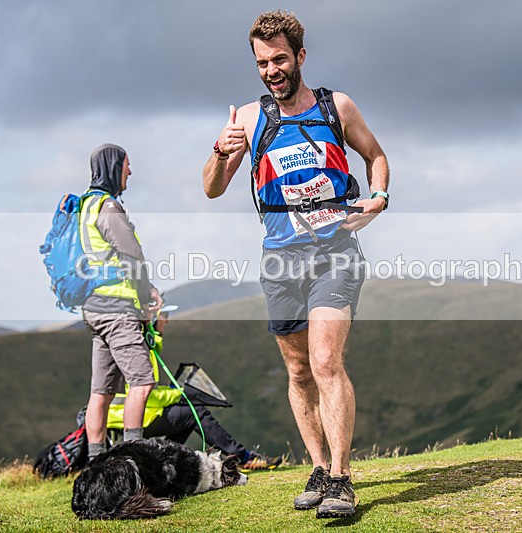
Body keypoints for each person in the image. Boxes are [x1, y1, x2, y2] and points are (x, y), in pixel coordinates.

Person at [201, 11, 389, 518]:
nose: (271, 70)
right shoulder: (246, 117)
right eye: (262, 62)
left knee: (327, 361)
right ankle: (321, 467)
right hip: (280, 260)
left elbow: (375, 155)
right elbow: (212, 188)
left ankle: (344, 481)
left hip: (335, 253)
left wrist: (379, 197)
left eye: (280, 58)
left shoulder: (337, 106)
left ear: (300, 56)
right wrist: (221, 151)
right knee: (300, 369)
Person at [80, 143, 163, 461]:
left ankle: (95, 462)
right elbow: (132, 256)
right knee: (142, 382)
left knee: (100, 392)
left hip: (95, 308)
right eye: (127, 165)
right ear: (114, 167)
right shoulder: (108, 207)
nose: (130, 171)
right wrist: (145, 297)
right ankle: (133, 459)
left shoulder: (86, 205)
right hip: (117, 308)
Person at [141, 309, 283, 471]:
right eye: (164, 316)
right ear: (152, 318)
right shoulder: (139, 348)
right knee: (196, 412)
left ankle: (162, 464)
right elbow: (142, 393)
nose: (166, 321)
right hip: (136, 418)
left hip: (136, 416)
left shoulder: (143, 344)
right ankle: (242, 458)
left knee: (188, 415)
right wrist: (179, 393)